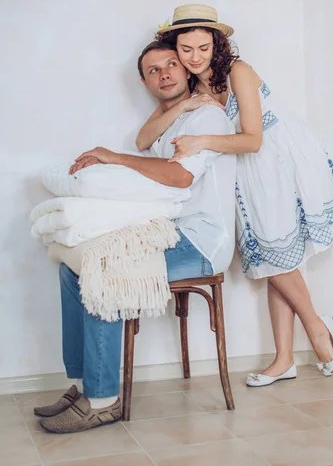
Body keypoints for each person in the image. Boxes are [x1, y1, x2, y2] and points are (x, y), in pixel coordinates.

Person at [137, 4, 333, 387]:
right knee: (274, 257)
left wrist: (200, 139)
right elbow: (143, 137)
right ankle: (284, 358)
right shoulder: (193, 87)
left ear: (216, 44)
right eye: (186, 49)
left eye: (203, 47)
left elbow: (253, 139)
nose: (195, 57)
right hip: (243, 171)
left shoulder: (238, 71)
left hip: (276, 160)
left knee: (276, 253)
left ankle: (317, 329)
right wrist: (185, 105)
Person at [35, 41, 236, 433]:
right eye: (154, 70)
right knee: (71, 267)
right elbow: (145, 141)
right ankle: (81, 384)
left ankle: (103, 401)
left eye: (172, 65)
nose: (165, 74)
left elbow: (180, 176)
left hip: (201, 241)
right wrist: (178, 106)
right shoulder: (178, 119)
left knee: (101, 270)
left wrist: (114, 156)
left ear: (187, 69)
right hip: (167, 230)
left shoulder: (207, 119)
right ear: (144, 81)